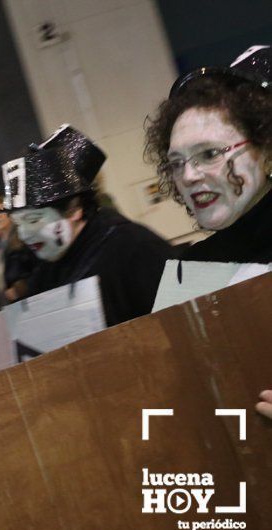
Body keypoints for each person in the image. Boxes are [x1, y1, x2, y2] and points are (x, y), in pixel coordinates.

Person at [145, 45, 271, 420]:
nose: (188, 176)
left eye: (209, 154)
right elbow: (167, 396)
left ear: (266, 148)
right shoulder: (191, 272)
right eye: (176, 163)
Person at [3, 125, 174, 326]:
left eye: (33, 220)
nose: (24, 234)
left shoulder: (134, 247)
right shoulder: (44, 270)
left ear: (74, 210)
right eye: (17, 223)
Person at [0, 197, 36, 308]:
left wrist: (22, 288)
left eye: (0, 212)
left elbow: (39, 268)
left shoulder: (23, 238)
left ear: (11, 213)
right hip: (7, 307)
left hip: (29, 302)